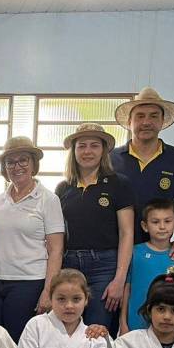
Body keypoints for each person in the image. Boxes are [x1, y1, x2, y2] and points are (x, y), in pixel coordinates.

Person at [0, 136, 64, 343]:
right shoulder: (0, 200)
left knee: (17, 344)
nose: (17, 166)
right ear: (4, 168)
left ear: (33, 164)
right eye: (10, 162)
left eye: (23, 160)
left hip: (28, 283)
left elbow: (56, 250)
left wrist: (48, 291)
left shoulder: (48, 199)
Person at [55, 123, 135, 334]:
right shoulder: (63, 188)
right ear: (74, 151)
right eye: (82, 146)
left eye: (94, 145)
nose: (87, 151)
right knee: (67, 330)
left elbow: (127, 233)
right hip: (70, 264)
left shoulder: (119, 184)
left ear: (104, 150)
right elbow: (56, 235)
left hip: (105, 266)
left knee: (97, 331)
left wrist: (119, 279)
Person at [110, 87, 174, 259]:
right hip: (114, 253)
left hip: (160, 252)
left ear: (162, 121)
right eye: (140, 116)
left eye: (153, 116)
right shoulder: (110, 159)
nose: (146, 122)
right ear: (129, 121)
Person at [120, 198, 174, 334]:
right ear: (145, 226)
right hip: (136, 326)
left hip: (168, 328)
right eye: (155, 222)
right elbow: (126, 290)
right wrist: (123, 323)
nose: (162, 227)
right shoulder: (135, 253)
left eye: (167, 221)